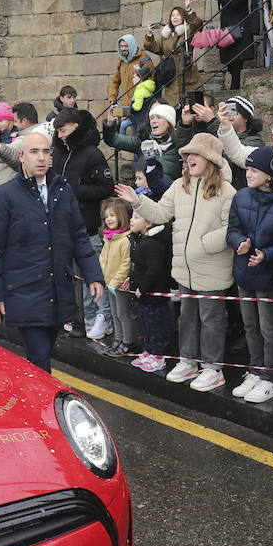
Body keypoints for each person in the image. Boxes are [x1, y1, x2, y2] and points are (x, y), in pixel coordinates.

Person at [116, 132, 235, 393]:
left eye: (195, 154)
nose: (188, 158)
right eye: (187, 154)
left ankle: (213, 369)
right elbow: (160, 213)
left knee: (211, 319)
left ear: (210, 159)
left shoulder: (227, 191)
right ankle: (188, 361)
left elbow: (230, 230)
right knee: (187, 317)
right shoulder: (180, 186)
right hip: (184, 269)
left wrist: (202, 245)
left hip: (211, 267)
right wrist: (137, 201)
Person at [0, 131, 104, 372]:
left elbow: (79, 235)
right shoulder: (2, 197)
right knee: (39, 359)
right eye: (34, 152)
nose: (41, 157)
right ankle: (41, 406)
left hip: (57, 292)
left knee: (41, 356)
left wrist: (93, 275)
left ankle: (36, 400)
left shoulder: (62, 190)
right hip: (24, 294)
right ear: (21, 157)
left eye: (46, 151)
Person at [225, 146, 273, 404]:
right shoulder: (241, 197)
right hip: (244, 272)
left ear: (270, 175)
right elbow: (232, 229)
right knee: (250, 326)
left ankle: (270, 377)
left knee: (270, 330)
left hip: (268, 275)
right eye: (247, 169)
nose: (247, 174)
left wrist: (266, 255)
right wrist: (239, 243)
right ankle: (255, 370)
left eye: (254, 170)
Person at [52, 108, 114, 336]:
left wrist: (74, 190)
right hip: (60, 225)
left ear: (75, 127)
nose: (59, 135)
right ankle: (75, 318)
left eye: (63, 130)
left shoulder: (92, 154)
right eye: (57, 131)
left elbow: (106, 187)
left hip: (85, 226)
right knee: (67, 278)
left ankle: (98, 317)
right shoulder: (58, 152)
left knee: (90, 276)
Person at [185, 0, 260, 88]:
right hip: (227, 34)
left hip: (239, 33)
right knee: (231, 67)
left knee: (237, 66)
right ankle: (233, 91)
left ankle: (234, 93)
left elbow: (234, 2)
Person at [126, 209, 175, 373]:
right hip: (144, 295)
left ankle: (158, 356)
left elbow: (154, 270)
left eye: (136, 217)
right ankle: (148, 350)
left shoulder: (154, 243)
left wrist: (142, 288)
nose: (131, 220)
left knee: (155, 326)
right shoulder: (143, 239)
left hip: (153, 294)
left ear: (148, 223)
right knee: (146, 324)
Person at [143, 2, 206, 107]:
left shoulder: (188, 30)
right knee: (172, 105)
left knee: (192, 104)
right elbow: (154, 47)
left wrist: (188, 9)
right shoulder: (166, 35)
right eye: (173, 15)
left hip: (187, 71)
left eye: (178, 15)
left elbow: (198, 24)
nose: (175, 17)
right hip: (171, 73)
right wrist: (149, 34)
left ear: (183, 17)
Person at [96, 198, 134, 353]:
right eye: (106, 216)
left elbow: (126, 264)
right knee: (114, 313)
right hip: (109, 282)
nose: (109, 219)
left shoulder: (125, 240)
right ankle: (118, 339)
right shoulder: (109, 238)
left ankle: (127, 342)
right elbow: (103, 259)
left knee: (123, 314)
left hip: (118, 284)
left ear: (123, 216)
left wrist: (115, 282)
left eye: (112, 215)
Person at [107, 35, 153, 122]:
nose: (123, 49)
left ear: (132, 46)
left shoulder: (144, 60)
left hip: (141, 107)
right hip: (128, 107)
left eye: (126, 46)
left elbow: (151, 82)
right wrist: (112, 99)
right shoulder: (122, 61)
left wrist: (140, 76)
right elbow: (115, 82)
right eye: (121, 46)